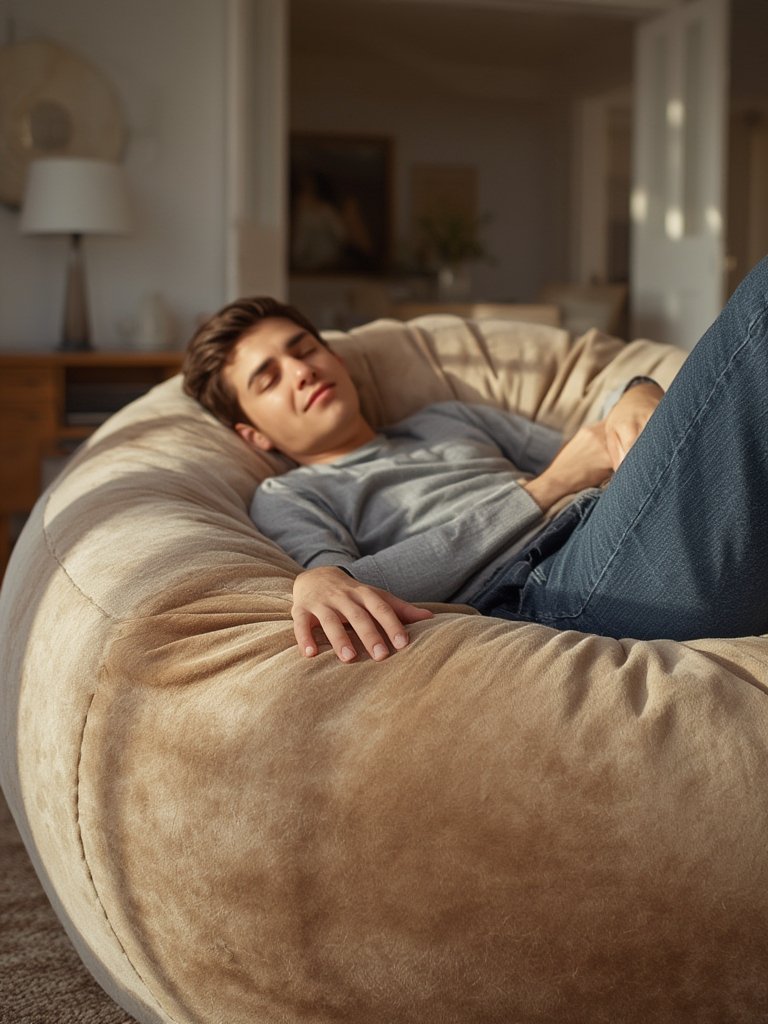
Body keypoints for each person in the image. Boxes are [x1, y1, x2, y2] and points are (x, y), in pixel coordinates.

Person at [183, 256, 768, 664]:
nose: (302, 371)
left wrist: (637, 389)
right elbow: (354, 584)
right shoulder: (291, 494)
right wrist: (545, 490)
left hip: (615, 525)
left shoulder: (444, 417)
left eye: (303, 349)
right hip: (557, 588)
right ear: (253, 434)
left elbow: (588, 445)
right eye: (269, 378)